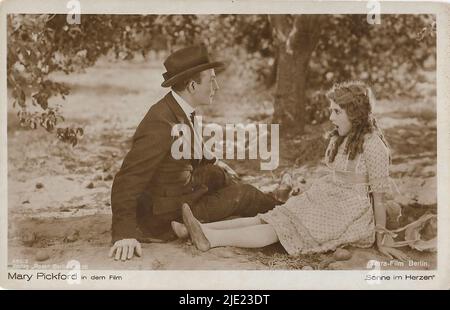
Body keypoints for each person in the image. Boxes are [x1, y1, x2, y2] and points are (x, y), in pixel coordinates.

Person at [176, 81, 409, 261]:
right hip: (328, 197)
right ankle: (196, 228)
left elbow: (378, 198)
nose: (331, 117)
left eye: (337, 112)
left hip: (349, 213)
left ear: (356, 115)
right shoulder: (343, 138)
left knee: (278, 229)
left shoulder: (374, 145)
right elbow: (336, 176)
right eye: (332, 110)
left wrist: (383, 239)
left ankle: (211, 238)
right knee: (270, 217)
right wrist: (309, 189)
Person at [109, 45, 282, 261]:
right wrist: (124, 234)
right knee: (245, 194)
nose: (216, 86)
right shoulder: (161, 122)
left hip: (177, 190)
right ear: (192, 85)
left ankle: (271, 201)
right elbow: (128, 178)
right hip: (165, 215)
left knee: (218, 173)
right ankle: (291, 214)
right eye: (211, 80)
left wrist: (217, 163)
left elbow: (187, 151)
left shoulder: (177, 108)